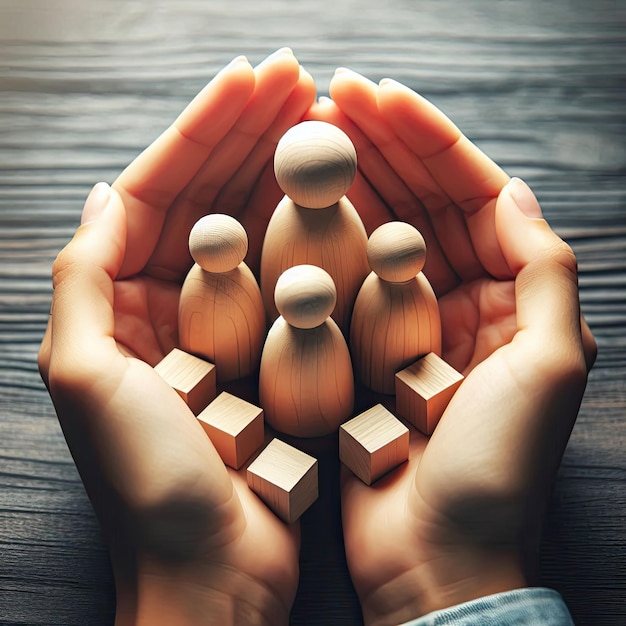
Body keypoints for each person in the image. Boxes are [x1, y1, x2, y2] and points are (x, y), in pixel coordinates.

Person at [38, 48, 597, 625]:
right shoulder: (278, 275)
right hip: (297, 340)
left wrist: (192, 586)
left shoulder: (341, 275)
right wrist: (456, 575)